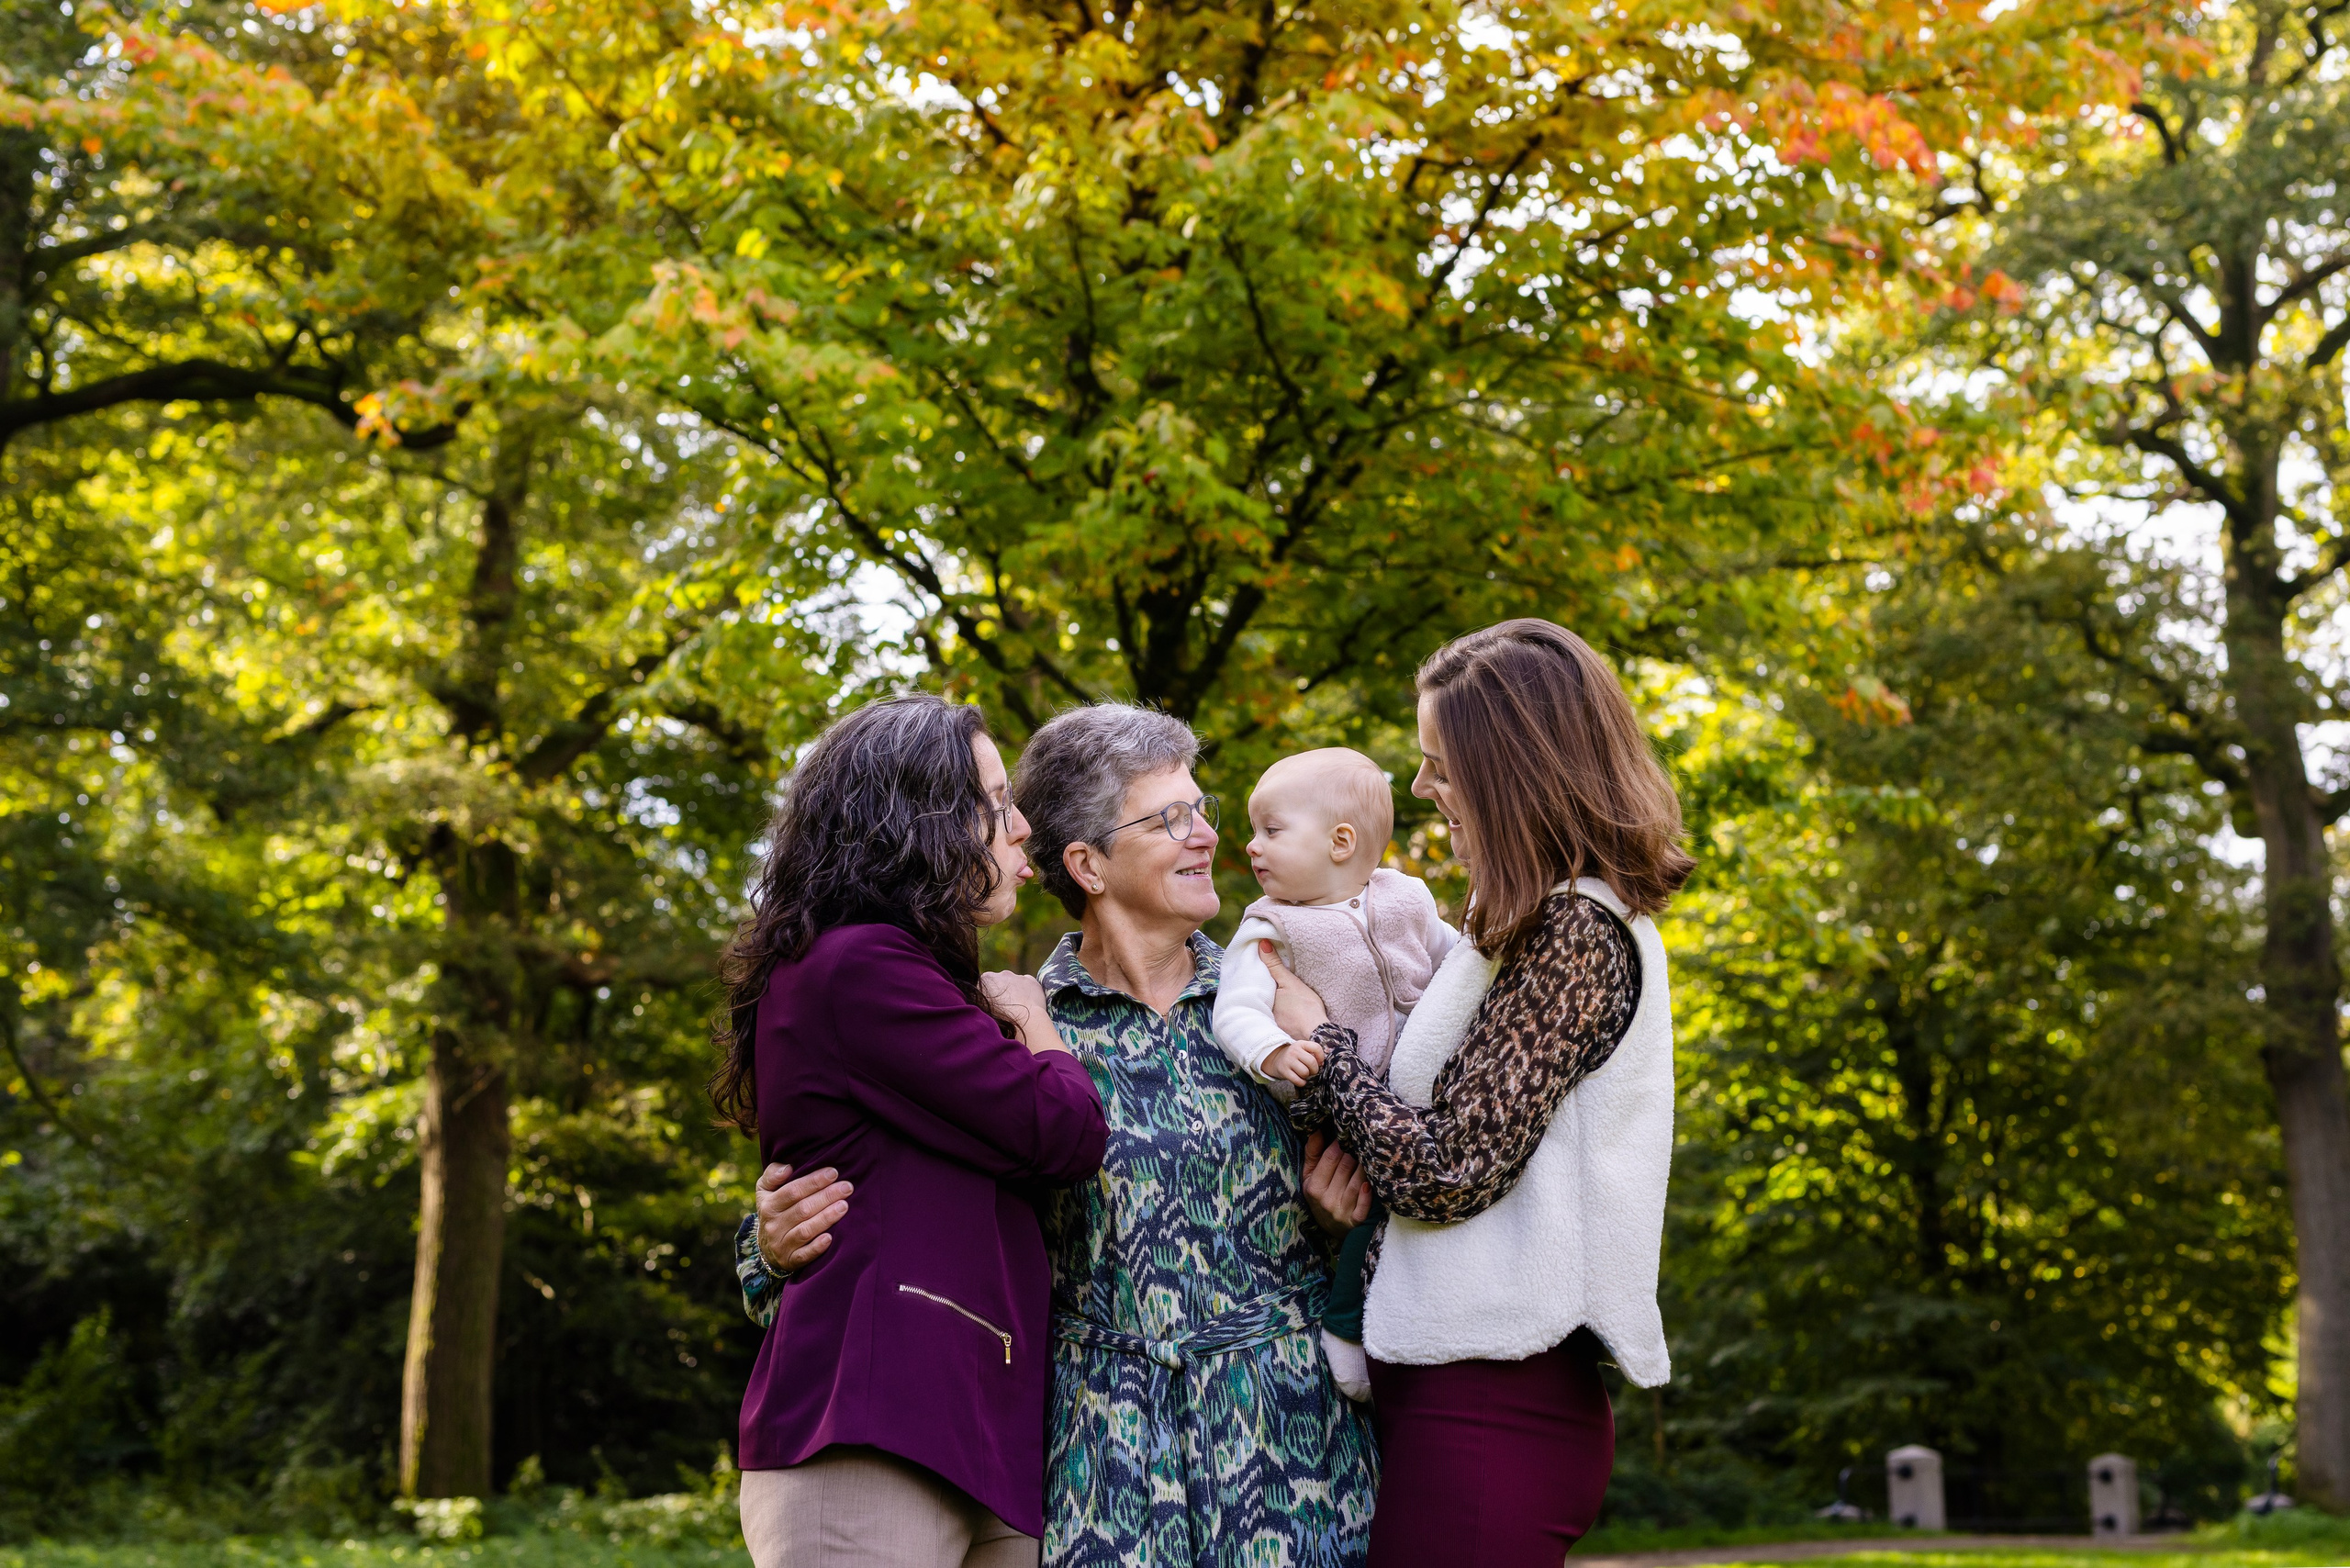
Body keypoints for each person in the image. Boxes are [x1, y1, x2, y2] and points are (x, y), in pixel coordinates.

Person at [743, 702, 1379, 1568]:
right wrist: (766, 1247)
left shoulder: (1282, 1006)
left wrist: (1346, 1227)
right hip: (1095, 1456)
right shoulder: (1003, 1025)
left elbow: (1405, 1179)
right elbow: (888, 1191)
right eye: (1171, 818)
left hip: (1286, 1442)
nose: (1205, 839)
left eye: (1204, 811)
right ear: (1086, 863)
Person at [1275, 620, 1693, 1567]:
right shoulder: (1512, 929)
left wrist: (1320, 1045)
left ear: (1510, 769)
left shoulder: (1578, 934)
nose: (1423, 788)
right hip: (1448, 1390)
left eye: (1439, 765)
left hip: (1496, 1408)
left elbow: (1450, 1168)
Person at [711, 694, 1110, 1568]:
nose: (1019, 829)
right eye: (996, 801)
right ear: (920, 819)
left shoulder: (898, 973)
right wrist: (1035, 1020)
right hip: (873, 1431)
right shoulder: (860, 966)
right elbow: (1065, 1130)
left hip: (976, 1432)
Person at [1211, 746, 1456, 1401]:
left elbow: (1455, 959)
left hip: (1421, 1097)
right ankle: (1348, 1335)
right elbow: (1236, 1008)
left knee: (1432, 1210)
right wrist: (1271, 1052)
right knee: (1366, 1217)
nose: (1250, 845)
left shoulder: (1406, 896)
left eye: (1271, 830)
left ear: (1341, 841)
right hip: (1341, 1106)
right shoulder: (1270, 928)